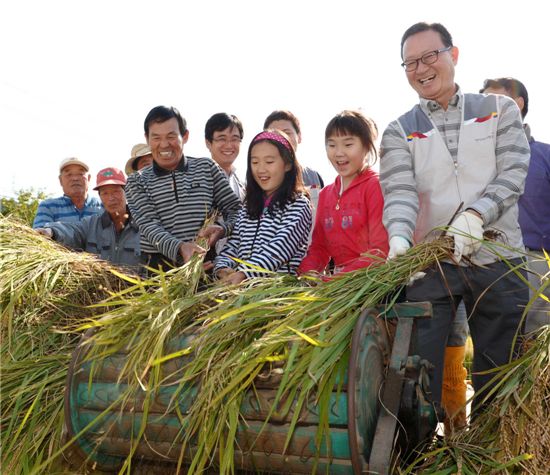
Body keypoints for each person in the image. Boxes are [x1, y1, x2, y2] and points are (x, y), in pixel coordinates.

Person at [379, 22, 530, 426]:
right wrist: (397, 234)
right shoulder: (398, 130)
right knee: (419, 372)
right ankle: (420, 451)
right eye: (410, 62)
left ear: (453, 55)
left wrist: (476, 215)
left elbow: (513, 172)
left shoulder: (499, 110)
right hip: (432, 264)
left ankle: (494, 451)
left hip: (498, 257)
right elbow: (399, 191)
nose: (421, 68)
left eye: (430, 56)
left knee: (501, 374)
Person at [125, 105, 241, 270]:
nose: (164, 144)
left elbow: (236, 211)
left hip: (204, 264)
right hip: (159, 271)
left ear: (185, 136)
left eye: (171, 136)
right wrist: (181, 248)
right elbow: (149, 226)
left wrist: (223, 229)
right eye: (156, 137)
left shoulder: (206, 168)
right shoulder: (137, 181)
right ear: (147, 138)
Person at [480, 77, 550, 333]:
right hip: (487, 261)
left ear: (518, 104)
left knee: (535, 332)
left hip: (535, 261)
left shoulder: (544, 155)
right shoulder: (475, 161)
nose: (488, 110)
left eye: (496, 101)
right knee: (494, 337)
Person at [214, 130, 312, 285]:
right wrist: (222, 268)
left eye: (269, 162)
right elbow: (233, 244)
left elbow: (279, 249)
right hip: (241, 292)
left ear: (287, 164)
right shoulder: (248, 207)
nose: (261, 169)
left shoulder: (298, 204)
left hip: (277, 294)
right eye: (255, 162)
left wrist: (245, 274)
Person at [298, 110, 388, 276]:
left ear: (367, 146)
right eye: (332, 145)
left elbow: (379, 251)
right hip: (338, 288)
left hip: (372, 283)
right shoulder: (326, 195)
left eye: (348, 145)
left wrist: (336, 280)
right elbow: (319, 247)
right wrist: (308, 272)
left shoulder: (375, 186)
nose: (339, 153)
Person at [35, 167, 142, 270]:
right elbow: (73, 231)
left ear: (126, 192)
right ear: (100, 197)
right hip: (102, 287)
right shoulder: (91, 224)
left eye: (116, 191)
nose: (111, 198)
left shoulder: (143, 224)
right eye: (105, 193)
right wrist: (51, 231)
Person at [32, 158, 103, 229]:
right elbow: (39, 235)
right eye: (69, 174)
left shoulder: (103, 206)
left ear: (89, 178)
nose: (75, 178)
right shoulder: (48, 206)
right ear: (60, 180)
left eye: (81, 174)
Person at [263, 110, 324, 189]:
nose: (282, 139)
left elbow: (317, 201)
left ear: (299, 137)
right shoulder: (259, 177)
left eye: (287, 133)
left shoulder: (313, 177)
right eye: (275, 135)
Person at [205, 112, 245, 201]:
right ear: (208, 143)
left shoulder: (244, 187)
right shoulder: (200, 182)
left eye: (234, 139)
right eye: (222, 139)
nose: (229, 145)